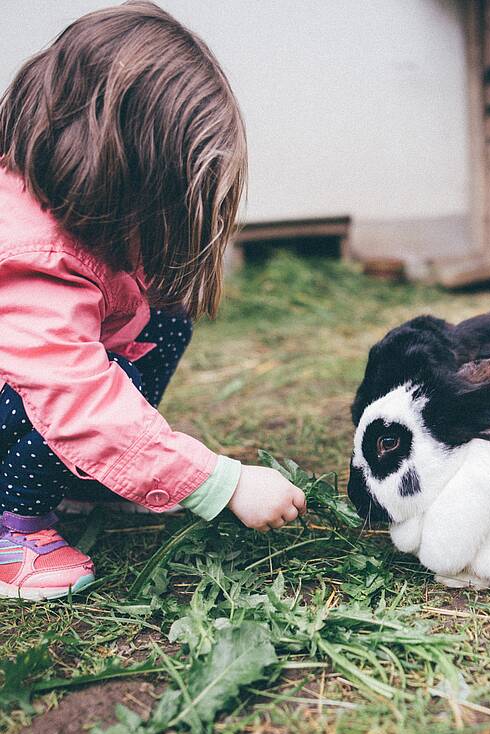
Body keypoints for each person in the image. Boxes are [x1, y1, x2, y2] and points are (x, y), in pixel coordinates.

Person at [0, 1, 306, 601]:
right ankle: (13, 529)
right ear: (118, 166)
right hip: (35, 395)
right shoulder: (34, 254)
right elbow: (76, 398)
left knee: (162, 319)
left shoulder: (78, 216)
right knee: (74, 396)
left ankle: (84, 478)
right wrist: (217, 482)